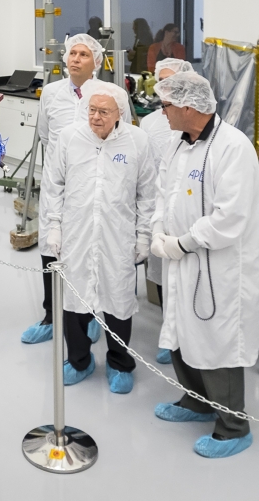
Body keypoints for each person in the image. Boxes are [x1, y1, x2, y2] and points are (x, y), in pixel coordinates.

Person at [150, 71, 259, 459]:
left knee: (217, 340)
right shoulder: (176, 145)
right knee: (182, 331)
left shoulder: (233, 147)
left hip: (220, 267)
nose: (161, 112)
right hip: (179, 260)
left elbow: (230, 217)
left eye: (165, 105)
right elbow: (163, 195)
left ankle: (234, 426)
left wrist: (183, 242)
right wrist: (157, 232)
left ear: (186, 106)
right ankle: (197, 401)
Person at [43, 81, 156, 393]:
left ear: (119, 113)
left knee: (119, 299)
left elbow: (147, 193)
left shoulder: (137, 141)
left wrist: (143, 235)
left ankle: (120, 363)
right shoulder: (70, 138)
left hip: (118, 234)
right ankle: (79, 360)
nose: (95, 117)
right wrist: (54, 225)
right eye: (92, 110)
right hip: (76, 231)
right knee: (74, 297)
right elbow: (55, 184)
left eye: (103, 112)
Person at [21, 34, 103, 345]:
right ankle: (51, 314)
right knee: (50, 250)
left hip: (91, 186)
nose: (75, 59)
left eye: (83, 54)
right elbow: (45, 134)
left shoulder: (105, 94)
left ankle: (92, 312)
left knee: (89, 251)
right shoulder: (52, 93)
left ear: (95, 61)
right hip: (57, 185)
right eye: (72, 53)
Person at [140, 58, 194, 365]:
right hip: (159, 211)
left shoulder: (195, 120)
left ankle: (188, 334)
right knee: (161, 273)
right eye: (160, 80)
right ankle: (168, 331)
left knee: (188, 277)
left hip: (189, 214)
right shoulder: (149, 123)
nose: (164, 88)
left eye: (170, 81)